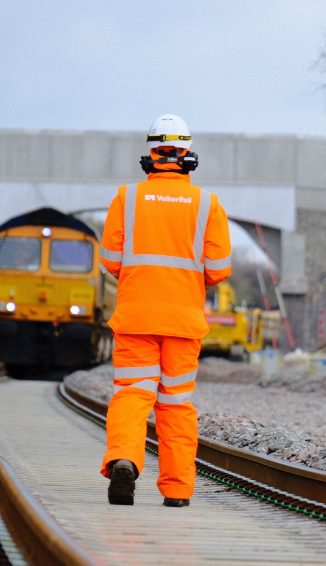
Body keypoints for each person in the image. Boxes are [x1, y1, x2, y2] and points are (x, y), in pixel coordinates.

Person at [99, 114, 232, 507]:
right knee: (175, 405)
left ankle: (124, 458)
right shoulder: (208, 204)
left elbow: (110, 259)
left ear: (152, 151)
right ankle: (176, 490)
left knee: (132, 394)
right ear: (186, 152)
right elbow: (220, 268)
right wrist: (189, 281)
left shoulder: (127, 198)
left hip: (136, 318)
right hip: (183, 323)